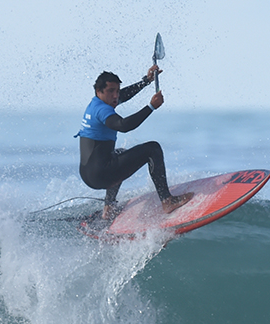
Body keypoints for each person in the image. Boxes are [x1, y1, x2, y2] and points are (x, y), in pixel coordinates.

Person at [77, 65, 191, 219]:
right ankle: (167, 201)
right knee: (153, 149)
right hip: (102, 175)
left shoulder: (95, 105)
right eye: (111, 91)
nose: (116, 95)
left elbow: (123, 95)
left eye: (117, 90)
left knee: (119, 154)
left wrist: (146, 81)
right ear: (99, 91)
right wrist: (151, 107)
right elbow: (123, 126)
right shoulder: (103, 111)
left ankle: (109, 207)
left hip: (87, 174)